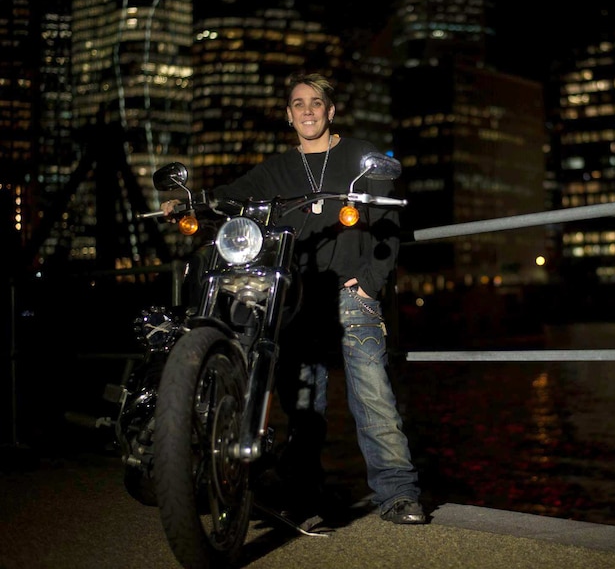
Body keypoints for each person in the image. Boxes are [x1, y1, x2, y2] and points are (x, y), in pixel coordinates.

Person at [160, 72, 426, 525]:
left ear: (330, 110)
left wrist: (368, 283)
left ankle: (398, 495)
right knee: (303, 406)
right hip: (297, 299)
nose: (307, 110)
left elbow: (387, 225)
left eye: (316, 103)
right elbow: (232, 195)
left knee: (374, 398)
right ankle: (304, 494)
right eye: (298, 104)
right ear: (289, 115)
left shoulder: (360, 156)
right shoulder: (277, 170)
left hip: (348, 295)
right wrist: (190, 203)